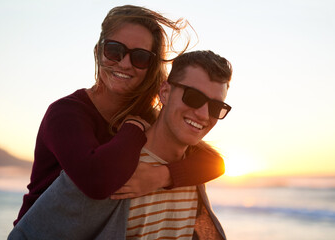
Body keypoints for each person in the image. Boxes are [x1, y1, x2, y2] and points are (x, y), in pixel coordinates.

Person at [13, 5, 224, 226]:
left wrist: (159, 176)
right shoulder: (66, 113)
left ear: (151, 66)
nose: (124, 63)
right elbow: (97, 181)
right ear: (98, 51)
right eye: (114, 50)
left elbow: (214, 162)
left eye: (140, 57)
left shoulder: (147, 116)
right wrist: (132, 128)